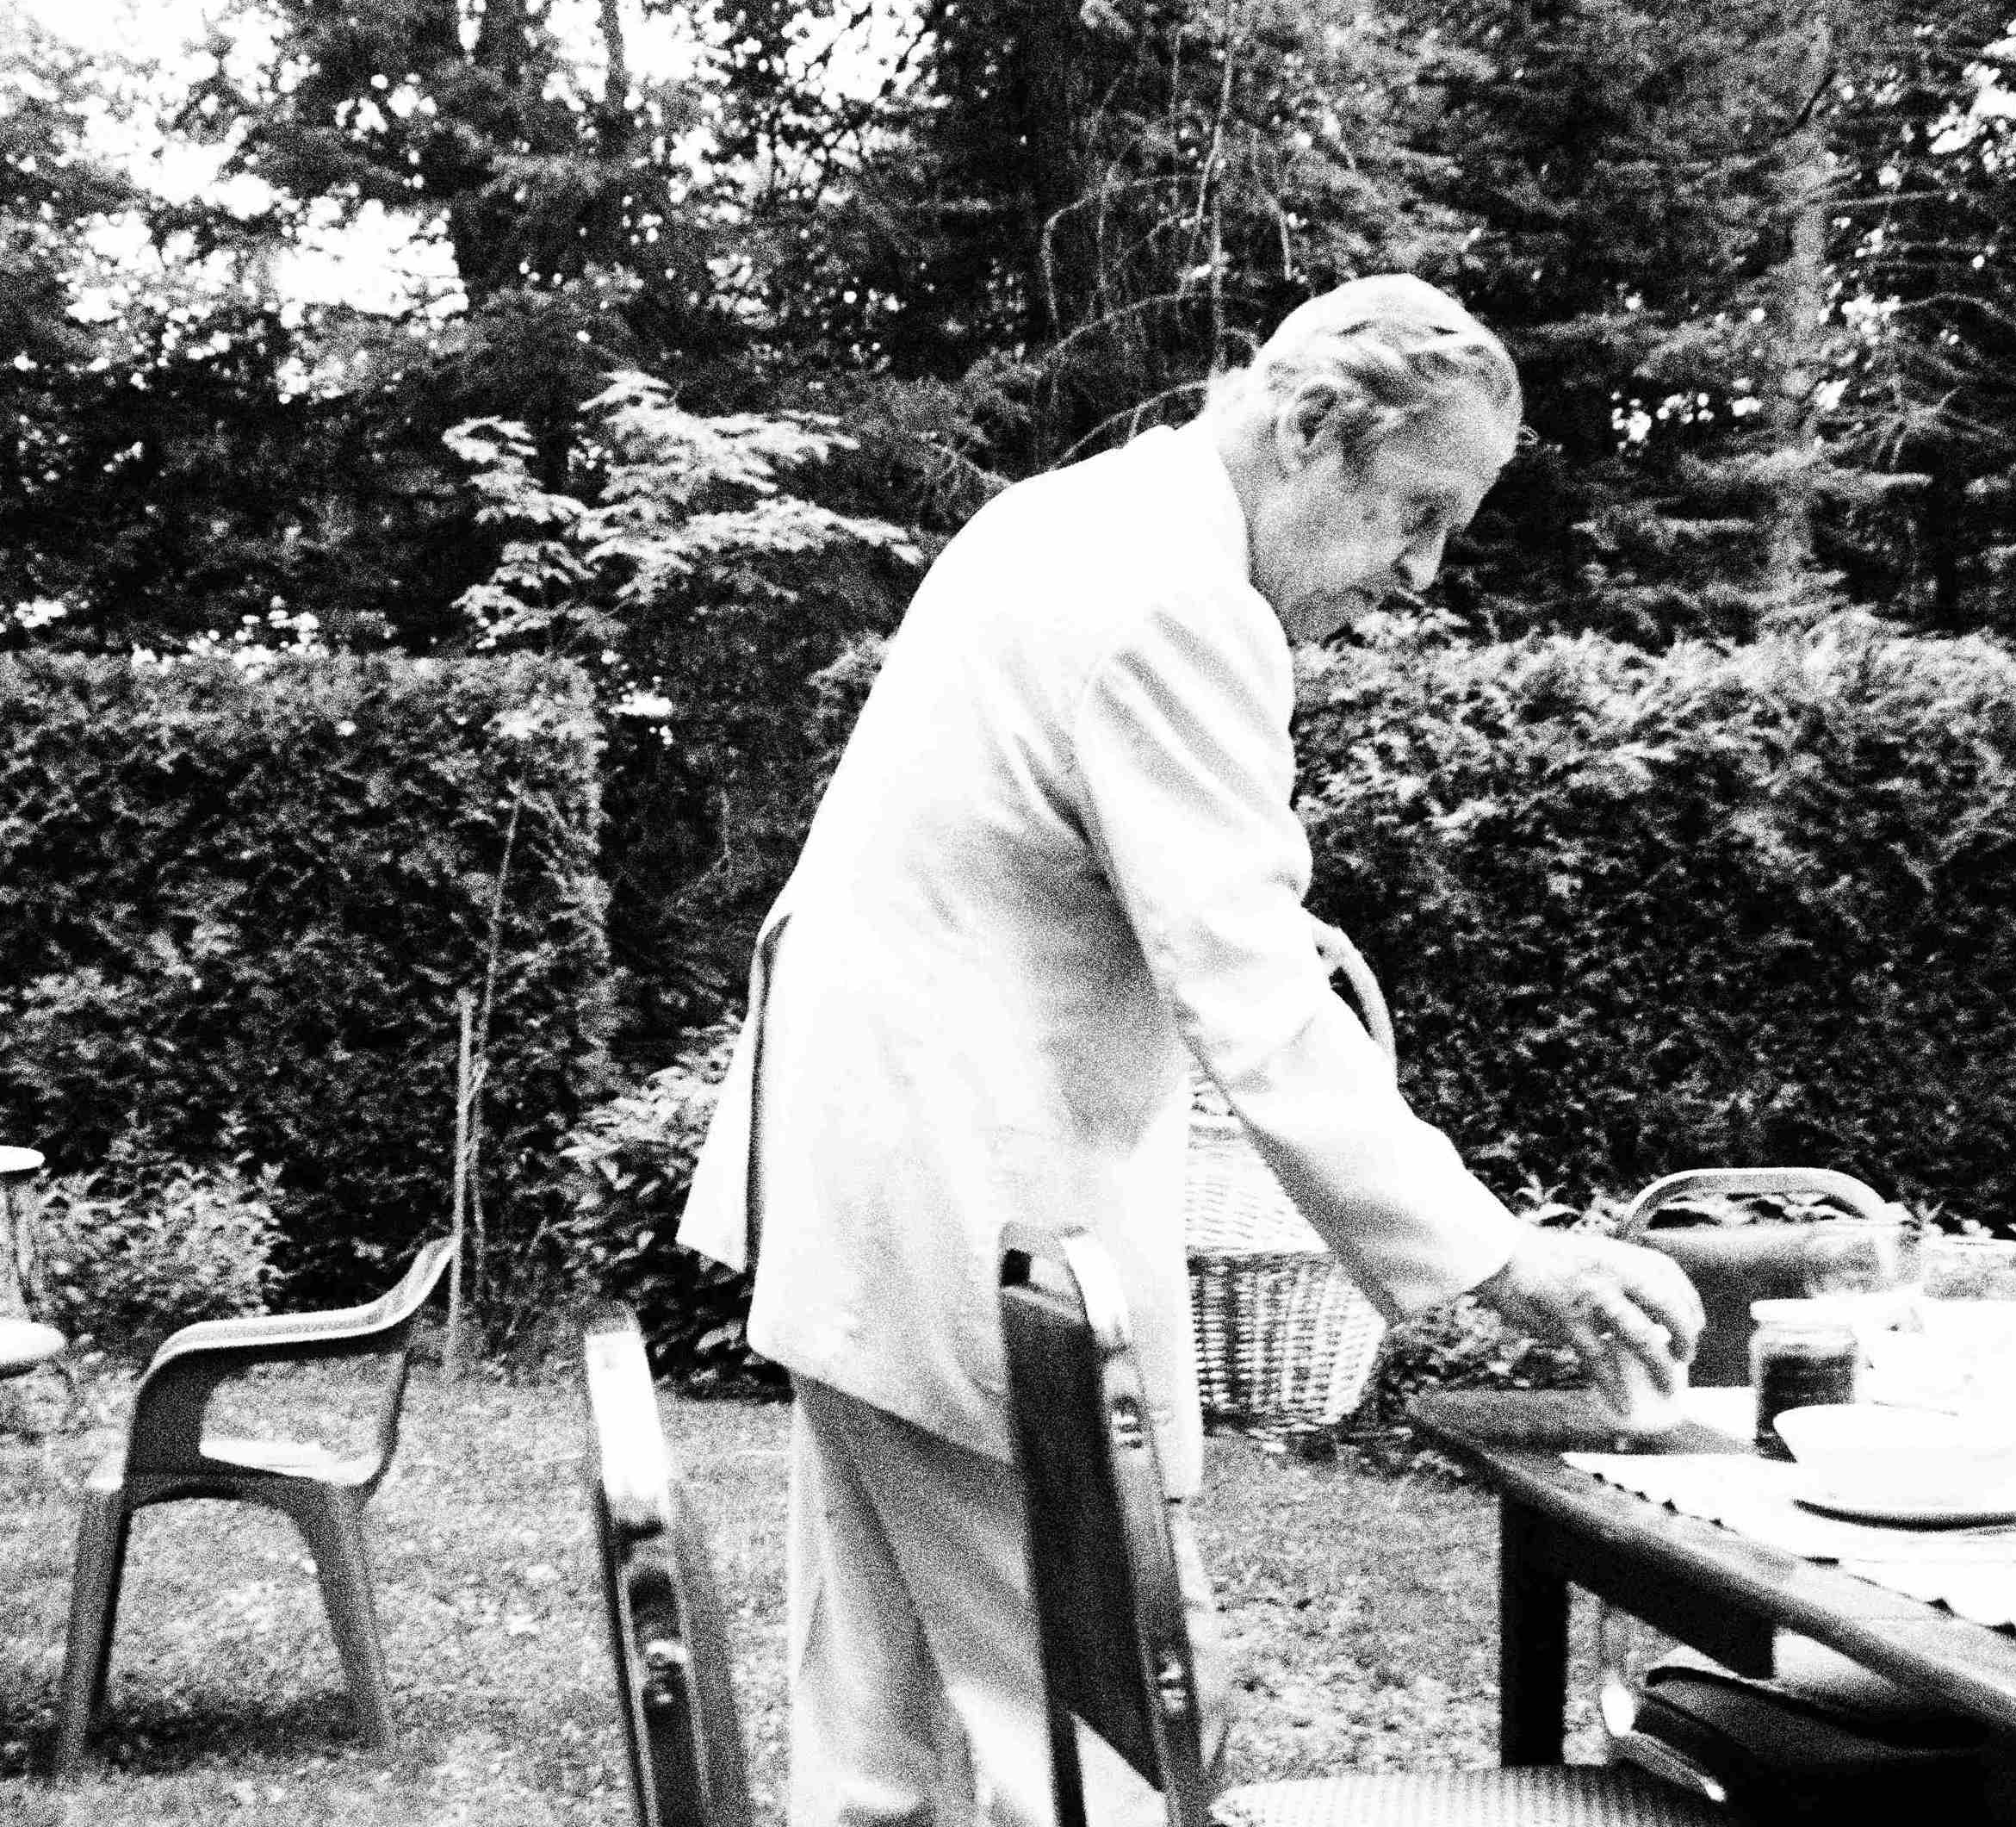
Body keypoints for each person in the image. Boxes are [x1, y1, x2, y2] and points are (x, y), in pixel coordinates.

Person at [675, 273, 1705, 1827]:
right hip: (970, 1225)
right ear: (1305, 428)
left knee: (881, 1756)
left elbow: (1107, 894)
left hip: (862, 1189)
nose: (1421, 573)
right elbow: (1254, 1008)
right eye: (1415, 512)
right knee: (1106, 1749)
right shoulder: (1181, 602)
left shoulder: (1070, 516)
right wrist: (1505, 1258)